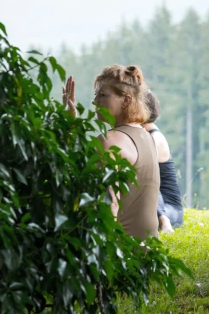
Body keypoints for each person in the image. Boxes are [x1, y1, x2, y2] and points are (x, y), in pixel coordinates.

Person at [62, 65, 160, 239]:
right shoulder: (146, 136)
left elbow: (109, 206)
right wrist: (72, 123)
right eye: (96, 95)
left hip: (122, 255)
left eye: (103, 95)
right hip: (150, 254)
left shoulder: (110, 140)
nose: (95, 102)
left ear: (126, 101)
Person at [142, 91, 184, 233]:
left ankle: (163, 222)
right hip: (154, 205)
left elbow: (149, 179)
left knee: (146, 179)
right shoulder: (143, 135)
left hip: (169, 209)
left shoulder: (155, 138)